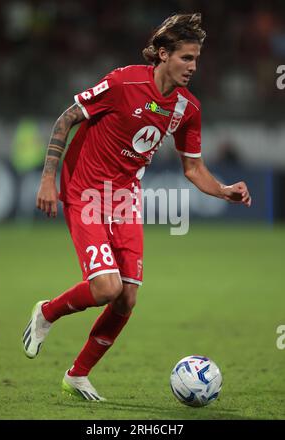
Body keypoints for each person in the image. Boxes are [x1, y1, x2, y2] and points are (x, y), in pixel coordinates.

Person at [22, 13, 251, 401]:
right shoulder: (123, 81)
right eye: (186, 58)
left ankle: (77, 374)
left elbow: (193, 168)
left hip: (126, 196)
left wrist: (224, 190)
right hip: (85, 189)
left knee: (127, 297)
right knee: (107, 287)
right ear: (163, 54)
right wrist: (48, 177)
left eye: (196, 59)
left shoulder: (187, 108)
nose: (193, 67)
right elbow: (67, 119)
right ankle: (47, 312)